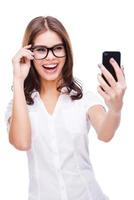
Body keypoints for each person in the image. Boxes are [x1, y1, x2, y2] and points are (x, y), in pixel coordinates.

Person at [5, 16, 126, 200]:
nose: (51, 57)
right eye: (41, 50)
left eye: (57, 48)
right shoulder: (18, 104)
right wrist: (18, 78)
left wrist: (116, 108)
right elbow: (21, 143)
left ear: (66, 52)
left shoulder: (83, 98)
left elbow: (105, 133)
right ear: (29, 53)